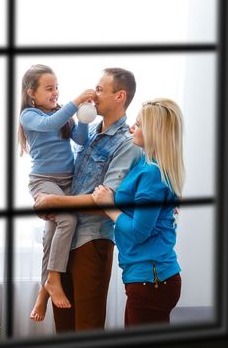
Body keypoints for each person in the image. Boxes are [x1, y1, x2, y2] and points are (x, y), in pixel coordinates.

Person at [34, 67, 142, 331]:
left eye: (101, 89)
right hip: (67, 241)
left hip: (92, 242)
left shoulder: (127, 143)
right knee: (65, 328)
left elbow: (105, 201)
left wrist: (54, 203)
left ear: (120, 96)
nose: (94, 94)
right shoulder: (90, 132)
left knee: (87, 328)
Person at [92, 98, 184, 327]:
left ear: (155, 132)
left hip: (152, 280)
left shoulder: (152, 174)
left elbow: (138, 232)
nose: (132, 128)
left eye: (139, 124)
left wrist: (109, 206)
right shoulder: (145, 165)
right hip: (148, 279)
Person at [18, 64, 96, 322]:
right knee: (68, 219)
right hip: (44, 182)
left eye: (57, 87)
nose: (55, 92)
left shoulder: (63, 113)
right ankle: (53, 279)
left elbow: (81, 140)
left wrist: (84, 118)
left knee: (51, 234)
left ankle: (43, 294)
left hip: (67, 182)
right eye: (49, 88)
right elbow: (51, 122)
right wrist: (75, 102)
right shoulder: (29, 115)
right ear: (32, 92)